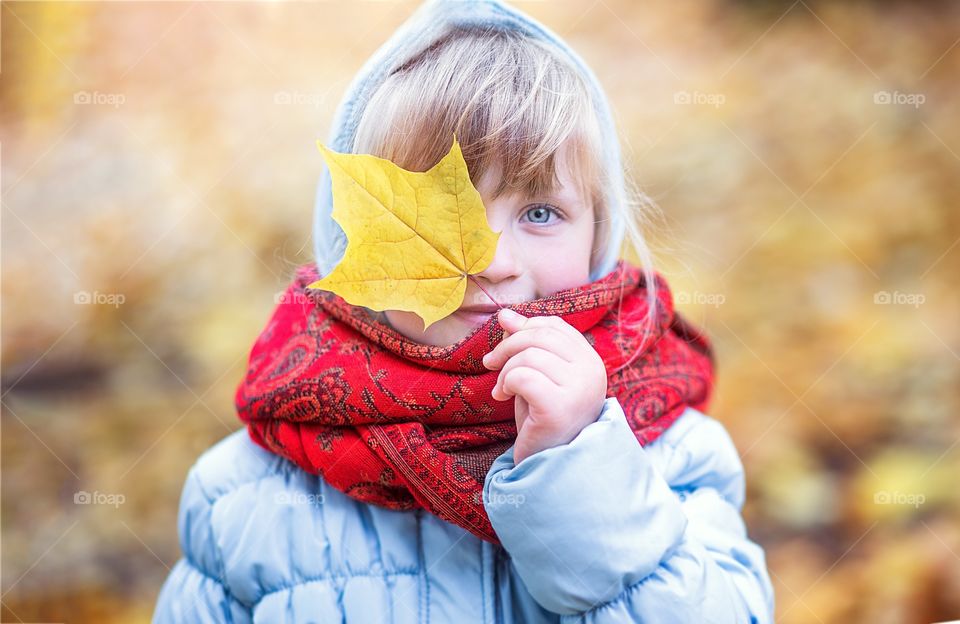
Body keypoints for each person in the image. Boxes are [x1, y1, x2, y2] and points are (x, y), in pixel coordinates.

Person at [152, 0, 775, 621]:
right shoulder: (246, 493)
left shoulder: (669, 452)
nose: (494, 261)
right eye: (439, 224)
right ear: (360, 246)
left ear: (598, 238)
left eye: (539, 213)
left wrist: (578, 465)